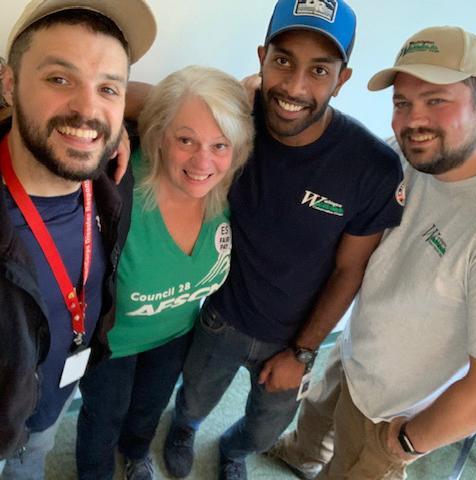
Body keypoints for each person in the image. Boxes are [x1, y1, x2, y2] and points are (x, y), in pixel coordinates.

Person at [267, 25, 476, 480]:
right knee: (316, 424)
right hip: (356, 352)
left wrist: (406, 441)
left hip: (393, 410)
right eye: (402, 102)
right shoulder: (416, 156)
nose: (413, 120)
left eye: (436, 100)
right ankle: (301, 454)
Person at [155, 1, 404, 479]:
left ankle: (232, 450)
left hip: (294, 336)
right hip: (220, 316)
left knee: (266, 429)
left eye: (318, 70)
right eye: (283, 60)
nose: (294, 86)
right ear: (262, 57)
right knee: (193, 397)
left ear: (342, 79)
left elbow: (350, 269)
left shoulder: (371, 167)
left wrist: (303, 353)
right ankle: (184, 428)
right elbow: (161, 109)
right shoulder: (232, 122)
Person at [0, 0, 156, 478]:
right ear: (8, 83)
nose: (88, 110)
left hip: (50, 403)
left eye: (107, 87)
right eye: (58, 79)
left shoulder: (113, 178)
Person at [75, 65, 254, 480]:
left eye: (220, 145)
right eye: (185, 139)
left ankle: (137, 453)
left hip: (175, 336)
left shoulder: (230, 194)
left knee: (149, 408)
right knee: (103, 419)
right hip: (109, 345)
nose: (203, 161)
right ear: (158, 136)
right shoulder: (116, 188)